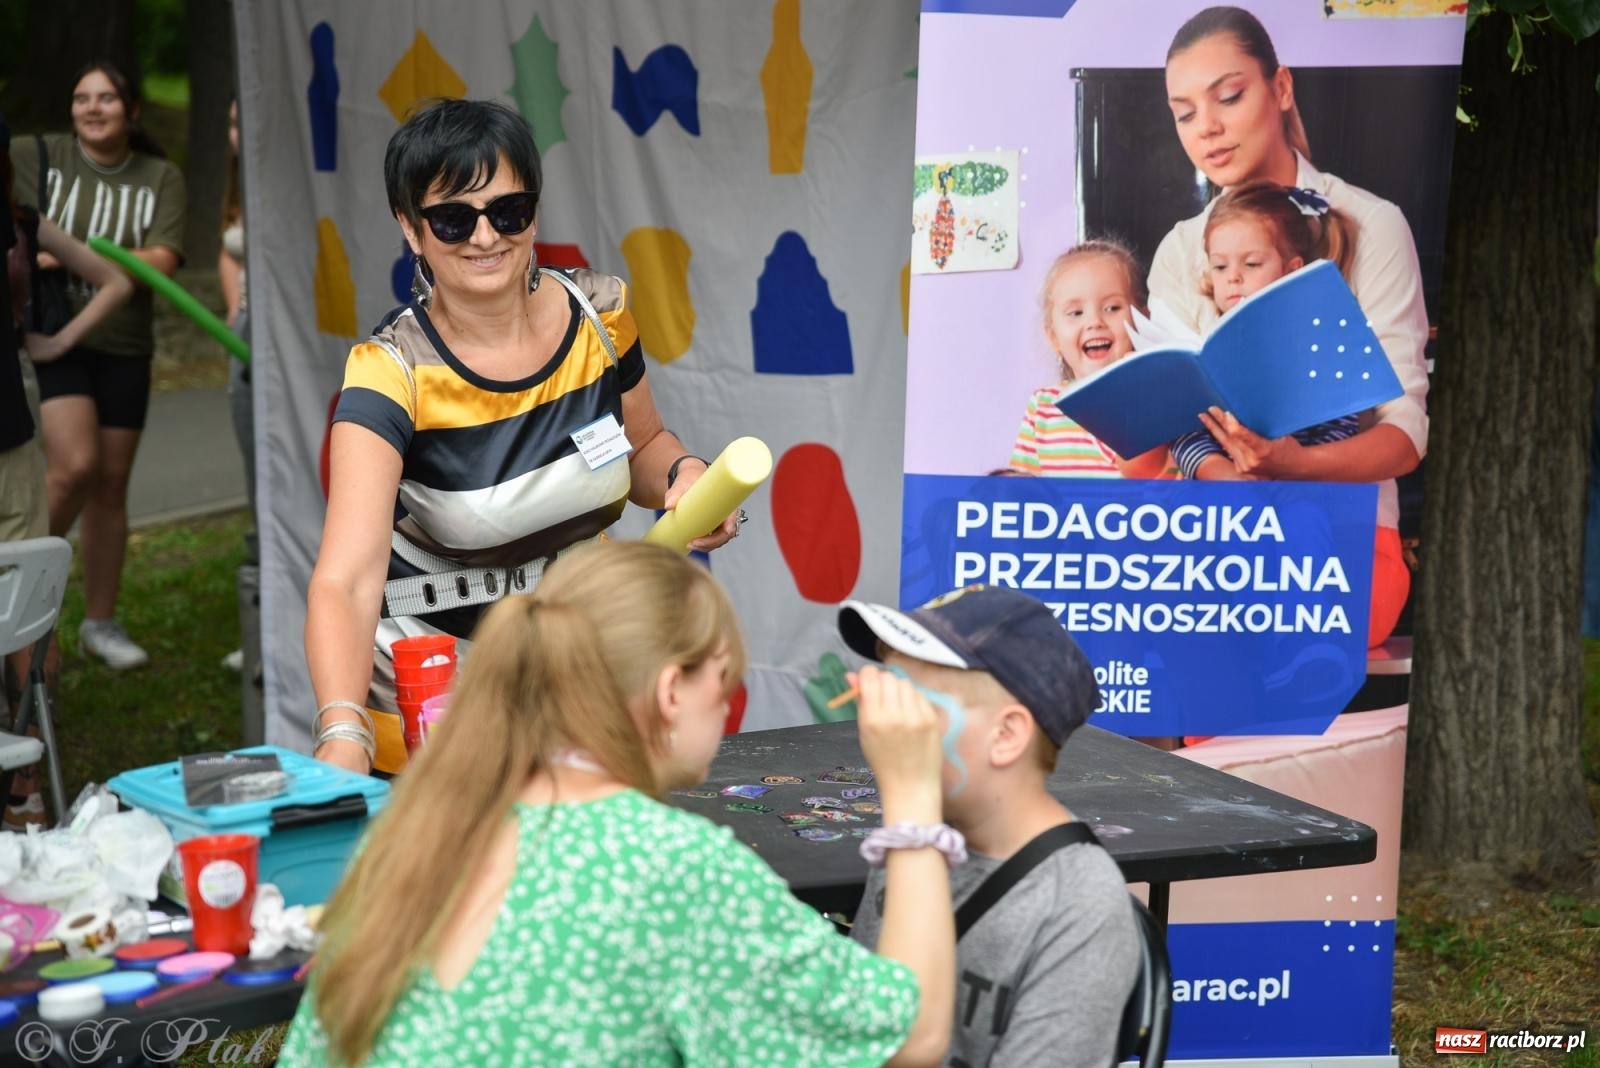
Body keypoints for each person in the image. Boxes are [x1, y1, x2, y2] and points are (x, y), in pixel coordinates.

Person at [280, 540, 956, 1067]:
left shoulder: (415, 829)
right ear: (670, 692)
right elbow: (914, 1036)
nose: (726, 710)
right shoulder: (673, 870)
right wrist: (914, 797)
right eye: (723, 684)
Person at [307, 99, 741, 777]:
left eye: (508, 211)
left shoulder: (600, 316)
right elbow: (346, 582)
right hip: (436, 705)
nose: (486, 238)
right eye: (453, 219)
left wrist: (686, 473)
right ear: (410, 228)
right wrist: (342, 728)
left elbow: (645, 444)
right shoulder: (390, 372)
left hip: (580, 678)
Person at [1150, 5, 1427, 646]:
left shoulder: (1368, 222)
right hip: (1211, 543)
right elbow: (1170, 428)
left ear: (1280, 89)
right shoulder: (1179, 249)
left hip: (1342, 536)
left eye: (1229, 96)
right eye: (1185, 113)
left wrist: (1292, 465)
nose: (1208, 129)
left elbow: (1405, 436)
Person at [842, 585, 1140, 1068]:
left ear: (1006, 736)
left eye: (913, 709)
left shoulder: (1078, 902)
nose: (883, 728)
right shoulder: (915, 833)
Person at [10, 61, 187, 670]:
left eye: (107, 98)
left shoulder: (158, 175)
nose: (92, 108)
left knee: (111, 482)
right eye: (81, 97)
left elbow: (161, 260)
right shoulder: (40, 154)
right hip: (56, 335)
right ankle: (19, 586)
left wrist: (71, 256)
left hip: (124, 343)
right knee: (74, 468)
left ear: (132, 111)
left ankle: (98, 623)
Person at [1, 109, 134, 827]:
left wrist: (52, 344)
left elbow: (111, 280)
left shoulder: (21, 222)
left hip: (12, 444)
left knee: (27, 620)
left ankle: (23, 789)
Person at [1172, 179, 1360, 482]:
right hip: (1221, 499)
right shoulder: (1206, 351)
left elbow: (1341, 429)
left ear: (1292, 271)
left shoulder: (1317, 347)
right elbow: (1185, 432)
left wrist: (1291, 472)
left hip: (1300, 495)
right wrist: (1219, 473)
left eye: (1251, 263)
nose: (1233, 277)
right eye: (1220, 267)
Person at [1008, 241, 1145, 478]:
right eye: (1076, 313)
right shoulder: (1043, 408)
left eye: (1112, 308)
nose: (1094, 322)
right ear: (1053, 337)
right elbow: (1019, 497)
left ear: (1141, 318)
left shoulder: (1157, 400)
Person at [218, 97, 253, 673]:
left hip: (279, 343)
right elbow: (227, 249)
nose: (237, 132)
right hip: (244, 339)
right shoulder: (237, 186)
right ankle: (258, 626)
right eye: (230, 121)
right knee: (256, 488)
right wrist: (234, 312)